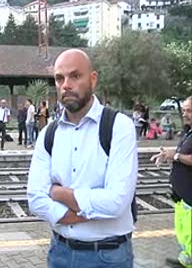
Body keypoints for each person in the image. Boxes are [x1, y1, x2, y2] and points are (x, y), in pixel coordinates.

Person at [27, 49, 137, 268]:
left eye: (75, 76)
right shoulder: (48, 134)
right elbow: (35, 199)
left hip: (108, 257)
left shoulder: (119, 126)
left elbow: (116, 202)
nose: (66, 85)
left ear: (93, 79)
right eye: (60, 78)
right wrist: (91, 211)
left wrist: (58, 193)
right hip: (60, 253)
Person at [151, 96, 192, 268]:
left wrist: (175, 156)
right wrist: (168, 154)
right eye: (184, 110)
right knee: (183, 231)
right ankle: (187, 258)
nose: (185, 114)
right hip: (182, 195)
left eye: (189, 110)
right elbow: (182, 152)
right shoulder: (189, 131)